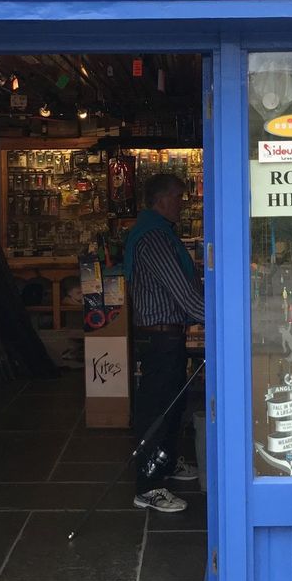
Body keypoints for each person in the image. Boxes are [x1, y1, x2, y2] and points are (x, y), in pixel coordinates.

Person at [123, 172, 205, 513]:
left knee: (172, 405)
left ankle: (166, 462)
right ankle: (149, 486)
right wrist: (217, 318)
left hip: (166, 333)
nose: (181, 204)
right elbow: (182, 291)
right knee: (158, 410)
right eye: (177, 197)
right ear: (160, 199)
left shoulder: (157, 232)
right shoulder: (154, 237)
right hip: (160, 336)